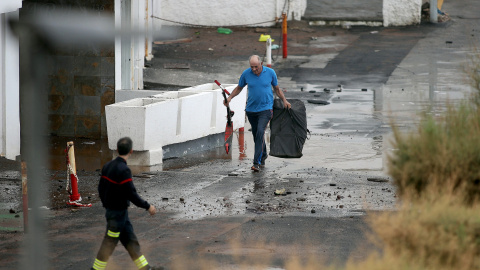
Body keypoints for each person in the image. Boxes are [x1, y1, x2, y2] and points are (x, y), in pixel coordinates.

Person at [91, 137, 161, 270]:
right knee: (109, 244)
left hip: (117, 213)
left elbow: (101, 188)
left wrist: (107, 204)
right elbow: (131, 194)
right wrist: (148, 206)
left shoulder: (107, 166)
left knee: (131, 242)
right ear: (131, 151)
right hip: (117, 215)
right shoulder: (124, 170)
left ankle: (145, 268)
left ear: (117, 150)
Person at [224, 55, 291, 172]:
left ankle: (256, 162)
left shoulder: (270, 72)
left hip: (266, 109)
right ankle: (263, 154)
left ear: (261, 64)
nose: (254, 69)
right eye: (251, 67)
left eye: (256, 67)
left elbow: (277, 89)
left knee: (260, 131)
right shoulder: (246, 74)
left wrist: (284, 100)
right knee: (257, 135)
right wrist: (229, 98)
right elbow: (239, 88)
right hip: (251, 110)